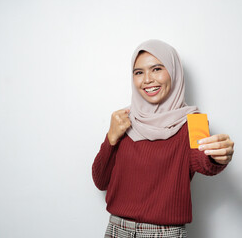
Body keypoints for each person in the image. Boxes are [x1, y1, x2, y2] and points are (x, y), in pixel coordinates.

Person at [92, 39, 234, 238]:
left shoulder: (195, 121)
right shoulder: (123, 119)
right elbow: (100, 181)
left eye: (157, 69)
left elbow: (202, 161)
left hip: (164, 234)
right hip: (116, 230)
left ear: (174, 72)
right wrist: (111, 138)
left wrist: (216, 157)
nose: (147, 79)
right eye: (139, 72)